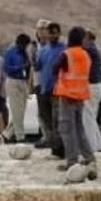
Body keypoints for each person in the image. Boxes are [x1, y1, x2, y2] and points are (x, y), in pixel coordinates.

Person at [54, 27, 98, 179]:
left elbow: (55, 68)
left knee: (67, 129)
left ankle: (72, 161)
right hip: (80, 96)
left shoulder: (67, 54)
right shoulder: (86, 55)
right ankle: (89, 158)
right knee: (80, 130)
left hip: (67, 96)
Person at [34, 22, 65, 152]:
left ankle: (59, 148)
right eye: (50, 32)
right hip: (44, 88)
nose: (52, 35)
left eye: (54, 32)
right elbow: (38, 67)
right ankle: (52, 143)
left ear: (59, 33)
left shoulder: (64, 49)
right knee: (45, 117)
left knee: (57, 119)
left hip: (58, 89)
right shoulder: (43, 50)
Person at [2, 33, 32, 143]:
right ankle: (20, 137)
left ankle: (7, 134)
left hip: (23, 81)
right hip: (13, 81)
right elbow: (7, 68)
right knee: (16, 110)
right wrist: (21, 67)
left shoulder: (24, 53)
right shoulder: (10, 52)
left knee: (21, 111)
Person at [82, 30, 101, 152]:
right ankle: (98, 143)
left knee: (88, 116)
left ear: (89, 39)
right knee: (91, 115)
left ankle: (92, 145)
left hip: (91, 85)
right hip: (97, 86)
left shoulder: (89, 51)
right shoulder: (95, 50)